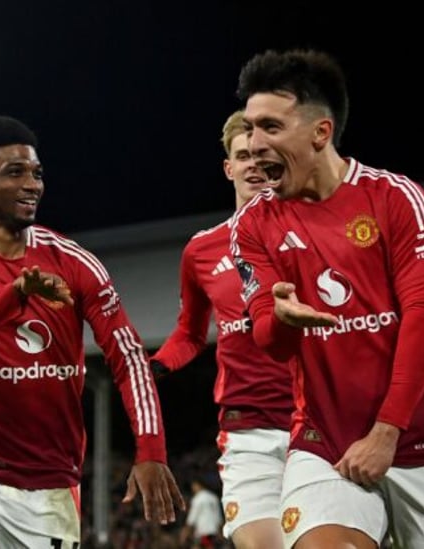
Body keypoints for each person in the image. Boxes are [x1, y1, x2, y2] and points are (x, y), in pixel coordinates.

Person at [229, 48, 424, 549]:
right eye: (251, 129)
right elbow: (269, 341)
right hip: (325, 440)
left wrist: (387, 432)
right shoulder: (254, 224)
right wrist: (281, 320)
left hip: (422, 437)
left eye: (270, 127)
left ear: (320, 133)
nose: (254, 145)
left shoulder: (395, 198)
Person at [0, 115, 184, 548]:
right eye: (15, 172)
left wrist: (150, 451)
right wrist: (14, 294)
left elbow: (127, 358)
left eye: (36, 173)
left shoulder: (75, 263)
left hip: (48, 484)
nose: (32, 184)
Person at [150, 109, 292, 549]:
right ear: (229, 167)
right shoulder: (201, 250)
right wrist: (152, 366)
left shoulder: (309, 234)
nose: (253, 164)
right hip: (247, 424)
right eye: (243, 155)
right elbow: (190, 334)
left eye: (262, 156)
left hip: (321, 421)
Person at [180, 477, 224, 549]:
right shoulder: (214, 497)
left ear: (197, 485)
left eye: (193, 486)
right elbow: (219, 518)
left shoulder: (198, 498)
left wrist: (185, 532)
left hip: (203, 532)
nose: (193, 488)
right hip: (214, 532)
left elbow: (192, 518)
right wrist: (220, 532)